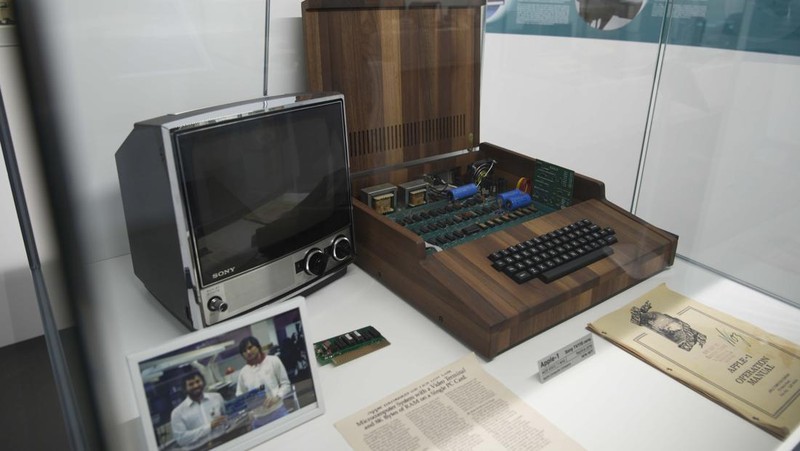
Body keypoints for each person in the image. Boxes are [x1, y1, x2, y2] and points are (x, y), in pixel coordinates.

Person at [236, 336, 292, 427]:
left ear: (257, 346)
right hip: (258, 420)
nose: (248, 352)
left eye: (250, 347)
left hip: (278, 412)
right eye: (244, 351)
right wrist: (248, 409)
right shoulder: (243, 373)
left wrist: (276, 398)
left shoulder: (273, 361)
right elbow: (239, 396)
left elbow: (286, 384)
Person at [170, 370, 227, 449]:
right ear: (185, 389)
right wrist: (209, 427)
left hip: (223, 443)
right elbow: (181, 439)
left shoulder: (217, 397)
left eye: (198, 381)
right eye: (191, 384)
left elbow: (228, 418)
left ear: (203, 382)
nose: (196, 385)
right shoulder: (177, 413)